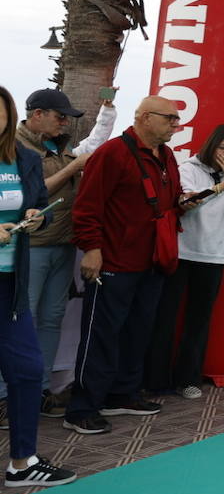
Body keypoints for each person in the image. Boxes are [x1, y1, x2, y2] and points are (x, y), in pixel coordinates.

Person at [65, 96, 185, 435]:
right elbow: (87, 207)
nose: (176, 124)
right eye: (170, 118)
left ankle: (122, 394)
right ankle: (82, 407)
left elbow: (169, 199)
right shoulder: (113, 153)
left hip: (152, 261)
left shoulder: (168, 156)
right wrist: (92, 249)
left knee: (137, 332)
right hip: (115, 260)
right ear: (146, 118)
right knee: (101, 335)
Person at [15, 88, 117, 416]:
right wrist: (74, 169)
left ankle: (39, 389)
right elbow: (30, 194)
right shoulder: (14, 148)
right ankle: (8, 396)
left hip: (62, 245)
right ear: (37, 114)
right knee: (22, 320)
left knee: (50, 319)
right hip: (30, 248)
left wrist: (107, 112)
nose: (65, 124)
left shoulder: (59, 146)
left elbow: (92, 144)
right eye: (60, 117)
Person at [0, 86, 76, 487]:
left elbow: (39, 211)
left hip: (10, 285)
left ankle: (22, 463)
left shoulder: (25, 160)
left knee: (28, 371)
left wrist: (35, 216)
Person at [146, 125, 224, 399]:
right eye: (223, 147)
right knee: (165, 317)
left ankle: (189, 379)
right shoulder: (188, 168)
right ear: (211, 145)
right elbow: (189, 203)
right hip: (183, 252)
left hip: (214, 255)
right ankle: (155, 380)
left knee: (199, 320)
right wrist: (220, 187)